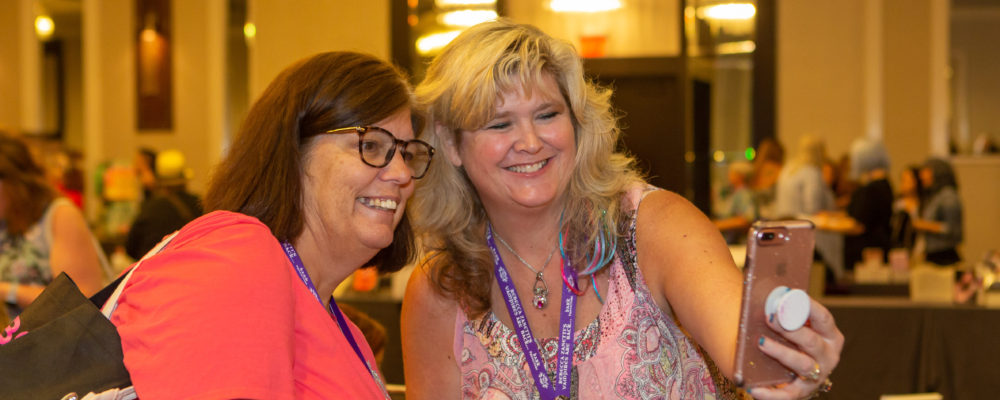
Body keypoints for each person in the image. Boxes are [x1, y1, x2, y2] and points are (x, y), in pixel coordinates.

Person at [402, 20, 842, 400]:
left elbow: (741, 340)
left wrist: (789, 360)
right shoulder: (441, 290)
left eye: (548, 114)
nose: (531, 142)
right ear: (453, 144)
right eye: (500, 123)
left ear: (576, 123)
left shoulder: (654, 228)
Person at [109, 51, 434, 398]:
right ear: (294, 151)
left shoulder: (337, 321)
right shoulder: (239, 256)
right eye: (371, 145)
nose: (402, 174)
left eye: (406, 153)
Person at [0, 131, 112, 318]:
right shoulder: (6, 220)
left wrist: (9, 291)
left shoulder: (59, 215)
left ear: (14, 182)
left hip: (56, 343)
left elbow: (81, 299)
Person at [124, 149, 203, 259]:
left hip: (153, 270)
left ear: (159, 181)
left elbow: (131, 248)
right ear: (184, 181)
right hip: (190, 268)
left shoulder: (149, 208)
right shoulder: (199, 204)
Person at [842, 138, 893, 270]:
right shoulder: (885, 185)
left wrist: (829, 225)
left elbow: (858, 225)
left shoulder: (870, 190)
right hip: (878, 248)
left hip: (865, 253)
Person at [913, 158, 963, 266]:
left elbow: (952, 229)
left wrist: (924, 225)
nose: (922, 176)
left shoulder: (948, 196)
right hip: (933, 255)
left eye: (926, 172)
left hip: (944, 257)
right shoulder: (935, 196)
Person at [714, 161, 758, 243]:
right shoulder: (735, 193)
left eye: (731, 173)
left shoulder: (743, 194)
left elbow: (747, 218)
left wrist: (719, 225)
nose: (729, 175)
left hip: (737, 242)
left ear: (740, 176)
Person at [890, 166, 924, 252]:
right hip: (899, 247)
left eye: (908, 180)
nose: (904, 184)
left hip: (919, 246)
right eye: (903, 180)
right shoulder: (896, 202)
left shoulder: (924, 203)